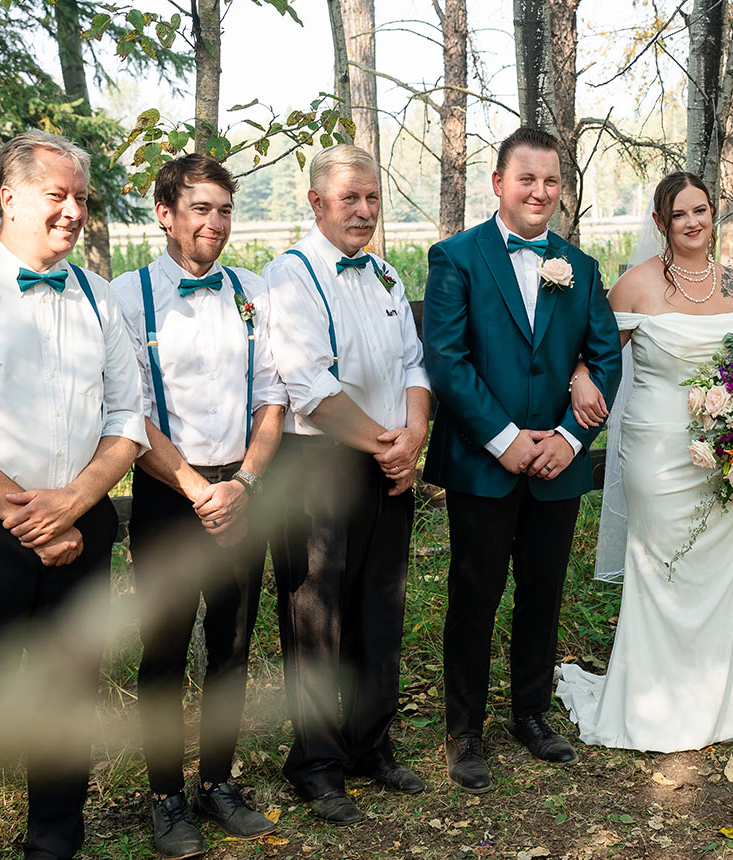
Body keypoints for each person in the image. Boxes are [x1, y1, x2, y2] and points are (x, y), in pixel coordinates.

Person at [0, 130, 148, 860]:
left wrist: (73, 505)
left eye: (81, 196)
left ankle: (54, 844)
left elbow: (127, 421)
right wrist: (34, 517)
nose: (73, 211)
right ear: (10, 199)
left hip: (80, 530)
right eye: (58, 195)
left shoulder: (102, 298)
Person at [422, 127, 622, 791]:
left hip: (556, 467)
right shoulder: (455, 258)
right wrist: (505, 439)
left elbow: (605, 355)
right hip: (484, 463)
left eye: (551, 181)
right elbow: (446, 362)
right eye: (527, 179)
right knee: (474, 597)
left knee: (543, 594)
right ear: (498, 183)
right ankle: (464, 731)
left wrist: (568, 437)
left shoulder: (580, 267)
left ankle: (531, 714)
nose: (539, 192)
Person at [554, 171, 733, 752]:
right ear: (661, 223)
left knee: (718, 575)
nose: (694, 222)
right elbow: (589, 351)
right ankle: (649, 704)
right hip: (658, 450)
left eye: (702, 210)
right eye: (680, 215)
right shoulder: (636, 286)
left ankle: (717, 703)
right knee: (661, 568)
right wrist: (579, 377)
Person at [110, 154, 285, 856]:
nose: (214, 222)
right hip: (166, 492)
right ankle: (165, 798)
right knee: (163, 653)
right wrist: (194, 489)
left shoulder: (252, 289)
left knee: (232, 647)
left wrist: (242, 484)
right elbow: (130, 412)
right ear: (166, 214)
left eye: (223, 209)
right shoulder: (127, 295)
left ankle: (217, 783)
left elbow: (272, 397)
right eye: (200, 208)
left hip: (242, 490)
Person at [262, 144, 430, 822]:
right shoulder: (290, 276)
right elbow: (312, 387)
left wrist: (411, 435)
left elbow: (415, 364)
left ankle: (371, 744)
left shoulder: (387, 274)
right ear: (316, 203)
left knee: (378, 608)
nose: (363, 210)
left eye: (371, 198)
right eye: (349, 198)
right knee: (315, 617)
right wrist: (387, 444)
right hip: (318, 466)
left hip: (388, 461)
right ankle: (316, 762)